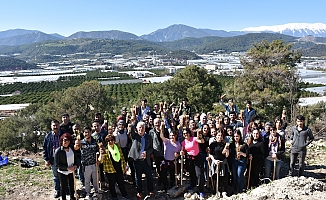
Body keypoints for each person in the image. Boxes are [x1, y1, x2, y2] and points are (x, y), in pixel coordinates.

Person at [99, 134, 130, 200]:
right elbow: (100, 161)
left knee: (121, 183)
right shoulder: (105, 150)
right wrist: (101, 154)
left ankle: (124, 194)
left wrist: (124, 167)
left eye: (112, 140)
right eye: (108, 141)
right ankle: (114, 196)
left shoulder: (118, 147)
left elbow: (122, 157)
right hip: (110, 170)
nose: (110, 142)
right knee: (112, 184)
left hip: (119, 168)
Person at [128, 121, 154, 199]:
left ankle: (151, 190)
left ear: (145, 128)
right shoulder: (134, 136)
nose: (141, 129)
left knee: (149, 176)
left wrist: (147, 152)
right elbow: (131, 130)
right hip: (137, 161)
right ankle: (139, 192)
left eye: (143, 127)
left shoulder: (148, 137)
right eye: (140, 127)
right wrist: (133, 122)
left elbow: (151, 148)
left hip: (146, 161)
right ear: (137, 128)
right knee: (138, 177)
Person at [75, 127, 99, 200]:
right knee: (87, 180)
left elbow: (98, 150)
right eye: (85, 132)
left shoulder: (95, 141)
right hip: (86, 164)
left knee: (95, 179)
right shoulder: (81, 142)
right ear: (83, 133)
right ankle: (88, 193)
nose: (87, 134)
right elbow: (76, 148)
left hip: (94, 163)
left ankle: (96, 192)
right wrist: (77, 142)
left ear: (91, 132)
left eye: (88, 132)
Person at [180, 128, 205, 198]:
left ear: (189, 133)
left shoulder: (194, 139)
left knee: (199, 174)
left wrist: (200, 136)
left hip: (197, 158)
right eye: (184, 133)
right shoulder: (183, 142)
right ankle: (193, 184)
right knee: (192, 173)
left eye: (186, 133)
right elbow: (183, 150)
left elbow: (202, 141)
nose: (185, 135)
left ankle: (201, 190)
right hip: (189, 159)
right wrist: (182, 152)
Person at [43, 120, 63, 198]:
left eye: (57, 125)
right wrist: (46, 159)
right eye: (54, 125)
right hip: (53, 159)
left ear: (59, 126)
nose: (55, 127)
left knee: (64, 174)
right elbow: (44, 148)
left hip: (63, 158)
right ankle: (57, 190)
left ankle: (66, 189)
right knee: (55, 176)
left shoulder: (63, 134)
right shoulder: (48, 136)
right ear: (51, 126)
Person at [54, 133, 78, 200]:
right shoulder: (58, 151)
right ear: (62, 141)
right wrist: (67, 168)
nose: (66, 142)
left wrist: (76, 165)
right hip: (62, 172)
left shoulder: (72, 149)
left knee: (71, 185)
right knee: (63, 187)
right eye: (64, 140)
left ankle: (72, 197)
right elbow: (57, 164)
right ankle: (63, 198)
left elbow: (76, 158)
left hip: (71, 171)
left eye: (67, 140)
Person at [160, 122, 181, 191]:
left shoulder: (178, 144)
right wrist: (162, 128)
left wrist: (177, 154)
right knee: (164, 175)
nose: (172, 137)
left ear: (176, 136)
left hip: (173, 162)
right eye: (171, 135)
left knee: (172, 175)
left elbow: (180, 153)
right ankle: (165, 185)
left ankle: (172, 185)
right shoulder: (167, 142)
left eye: (173, 135)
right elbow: (161, 136)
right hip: (165, 161)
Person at [208, 130, 229, 197]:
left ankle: (224, 191)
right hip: (215, 162)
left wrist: (227, 150)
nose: (220, 137)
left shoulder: (224, 144)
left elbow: (226, 156)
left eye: (221, 135)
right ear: (216, 136)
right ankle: (217, 190)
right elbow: (210, 154)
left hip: (223, 162)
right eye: (218, 135)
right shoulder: (212, 144)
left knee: (224, 178)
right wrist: (214, 161)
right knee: (215, 178)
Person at [230, 129, 248, 194]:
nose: (236, 138)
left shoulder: (244, 144)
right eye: (234, 136)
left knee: (239, 175)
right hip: (234, 161)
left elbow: (247, 155)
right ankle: (235, 190)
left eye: (237, 136)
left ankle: (241, 189)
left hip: (241, 161)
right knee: (234, 177)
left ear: (240, 136)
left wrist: (241, 153)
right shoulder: (232, 144)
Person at [149, 118, 164, 182]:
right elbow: (150, 142)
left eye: (158, 123)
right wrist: (151, 153)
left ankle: (164, 179)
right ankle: (160, 179)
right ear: (153, 124)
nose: (157, 124)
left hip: (164, 151)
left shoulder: (164, 130)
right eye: (156, 123)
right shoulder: (151, 132)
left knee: (164, 166)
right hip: (156, 152)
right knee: (157, 166)